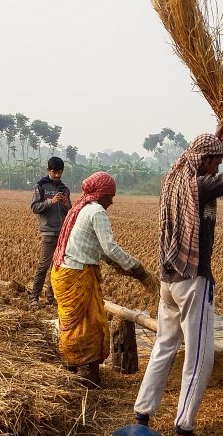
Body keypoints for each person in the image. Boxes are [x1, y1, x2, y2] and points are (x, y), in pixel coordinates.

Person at [133, 113, 223, 436]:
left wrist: (219, 134)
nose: (218, 168)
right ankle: (183, 429)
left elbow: (197, 153)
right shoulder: (201, 186)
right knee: (199, 355)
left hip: (168, 279)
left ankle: (142, 415)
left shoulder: (173, 180)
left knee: (164, 346)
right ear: (205, 162)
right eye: (216, 162)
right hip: (192, 281)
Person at [50, 171, 147, 387]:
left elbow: (94, 247)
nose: (111, 201)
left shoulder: (80, 208)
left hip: (64, 271)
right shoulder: (96, 211)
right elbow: (109, 247)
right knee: (91, 324)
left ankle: (72, 367)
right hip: (77, 273)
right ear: (101, 194)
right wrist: (137, 269)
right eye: (110, 195)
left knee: (71, 324)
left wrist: (119, 264)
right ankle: (91, 376)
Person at [29, 157, 72, 306]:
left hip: (62, 233)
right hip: (48, 232)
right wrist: (50, 202)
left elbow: (70, 212)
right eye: (54, 172)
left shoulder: (64, 189)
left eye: (59, 172)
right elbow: (34, 207)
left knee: (57, 267)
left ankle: (51, 296)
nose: (57, 175)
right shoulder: (41, 186)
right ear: (49, 170)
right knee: (44, 266)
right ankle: (34, 297)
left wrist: (66, 204)